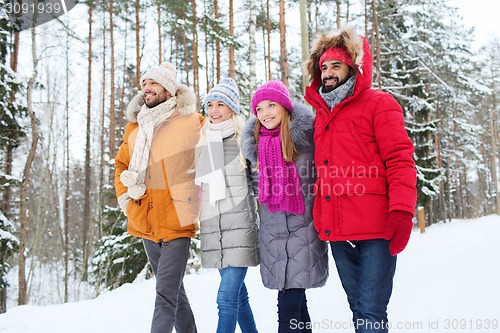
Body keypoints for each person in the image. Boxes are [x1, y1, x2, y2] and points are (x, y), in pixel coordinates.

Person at [303, 26, 417, 333]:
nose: (327, 72)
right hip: (338, 231)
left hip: (376, 229)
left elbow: (400, 159)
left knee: (371, 309)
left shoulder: (379, 104)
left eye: (336, 65)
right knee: (358, 308)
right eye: (323, 66)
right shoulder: (319, 116)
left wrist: (402, 211)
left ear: (353, 67)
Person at [114, 62, 204, 333]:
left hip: (177, 220)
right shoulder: (134, 127)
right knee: (174, 292)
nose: (146, 88)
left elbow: (218, 148)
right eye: (144, 83)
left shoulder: (190, 121)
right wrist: (125, 201)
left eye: (153, 83)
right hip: (145, 219)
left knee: (165, 295)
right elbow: (121, 165)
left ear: (168, 88)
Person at [241, 80, 329, 333]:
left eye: (271, 105)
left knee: (288, 307)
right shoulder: (253, 150)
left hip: (303, 232)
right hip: (272, 236)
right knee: (298, 307)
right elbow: (253, 192)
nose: (266, 113)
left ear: (285, 107)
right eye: (259, 108)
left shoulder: (307, 143)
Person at [194, 78, 260, 333]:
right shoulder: (203, 143)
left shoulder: (245, 141)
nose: (214, 110)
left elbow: (259, 187)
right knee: (238, 298)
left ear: (232, 107)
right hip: (214, 232)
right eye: (210, 104)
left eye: (220, 104)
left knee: (225, 298)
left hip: (240, 230)